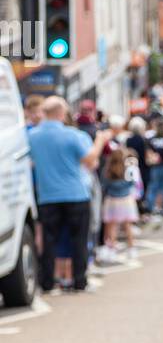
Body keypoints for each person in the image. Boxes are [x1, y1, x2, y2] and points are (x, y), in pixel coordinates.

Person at [26, 95, 111, 292]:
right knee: (79, 239)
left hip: (47, 196)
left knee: (49, 241)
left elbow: (30, 161)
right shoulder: (72, 135)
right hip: (75, 194)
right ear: (61, 114)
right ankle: (79, 281)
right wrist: (99, 140)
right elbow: (90, 160)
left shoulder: (33, 137)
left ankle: (47, 283)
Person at [100, 146, 138, 261]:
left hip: (112, 200)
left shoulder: (107, 170)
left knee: (112, 226)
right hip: (126, 200)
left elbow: (104, 185)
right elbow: (132, 183)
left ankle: (112, 249)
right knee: (128, 226)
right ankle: (131, 249)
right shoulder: (128, 169)